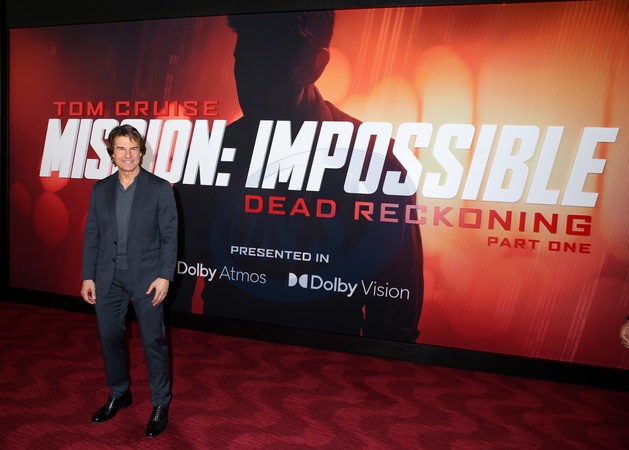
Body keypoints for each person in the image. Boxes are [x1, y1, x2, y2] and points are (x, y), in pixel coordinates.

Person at [173, 11, 423, 341]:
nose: (250, 81)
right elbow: (173, 289)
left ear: (315, 66)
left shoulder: (377, 161)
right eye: (243, 59)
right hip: (221, 356)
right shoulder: (209, 156)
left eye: (270, 63)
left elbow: (395, 322)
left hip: (327, 363)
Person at [81, 124, 178, 438]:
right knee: (109, 337)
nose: (127, 154)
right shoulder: (100, 189)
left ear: (141, 152)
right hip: (107, 278)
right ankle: (119, 392)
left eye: (133, 148)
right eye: (121, 148)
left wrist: (164, 276)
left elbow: (170, 236)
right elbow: (92, 235)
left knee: (153, 341)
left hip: (148, 278)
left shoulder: (160, 188)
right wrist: (87, 276)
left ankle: (160, 402)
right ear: (111, 153)